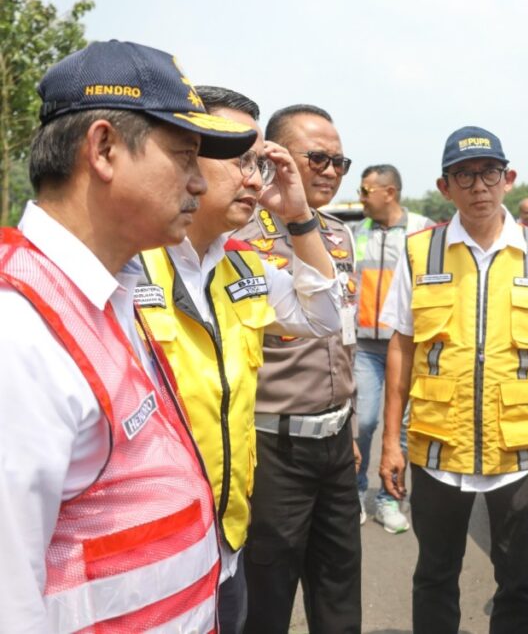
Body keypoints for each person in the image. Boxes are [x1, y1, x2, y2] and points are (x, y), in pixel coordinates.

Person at [0, 41, 257, 631]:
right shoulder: (20, 332)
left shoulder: (105, 293)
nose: (199, 183)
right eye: (185, 156)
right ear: (105, 148)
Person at [137, 86, 344, 633]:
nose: (255, 179)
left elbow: (323, 316)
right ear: (184, 158)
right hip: (151, 555)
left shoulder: (240, 267)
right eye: (236, 157)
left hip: (226, 543)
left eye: (258, 161)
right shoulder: (131, 268)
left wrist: (299, 216)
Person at [378, 126, 528, 633]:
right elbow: (402, 346)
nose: (478, 186)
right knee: (435, 574)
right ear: (446, 188)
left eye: (489, 173)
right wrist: (389, 444)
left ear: (508, 178)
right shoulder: (422, 251)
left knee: (521, 579)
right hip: (438, 445)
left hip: (522, 446)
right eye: (463, 176)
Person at [234, 104, 361, 633]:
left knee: (339, 592)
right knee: (266, 599)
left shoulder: (337, 236)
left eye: (340, 161)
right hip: (272, 448)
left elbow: (343, 340)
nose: (330, 171)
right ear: (276, 156)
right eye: (318, 158)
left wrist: (349, 429)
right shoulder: (239, 236)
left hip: (333, 443)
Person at [352, 163, 433, 533]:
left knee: (401, 427)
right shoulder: (356, 232)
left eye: (366, 191)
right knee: (364, 422)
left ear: (390, 192)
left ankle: (389, 499)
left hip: (407, 345)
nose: (361, 197)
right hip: (366, 347)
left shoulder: (423, 230)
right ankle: (355, 492)